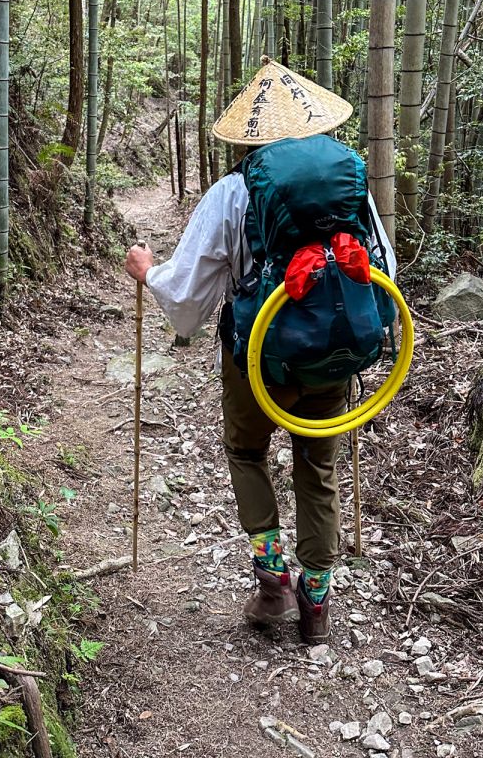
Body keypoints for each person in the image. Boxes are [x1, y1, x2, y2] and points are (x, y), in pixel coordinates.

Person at [125, 57, 395, 643]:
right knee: (317, 466)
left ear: (253, 133)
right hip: (333, 353)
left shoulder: (233, 191)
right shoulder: (350, 182)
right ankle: (316, 602)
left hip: (255, 358)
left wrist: (149, 274)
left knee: (246, 453)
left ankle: (272, 576)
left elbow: (190, 298)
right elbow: (384, 271)